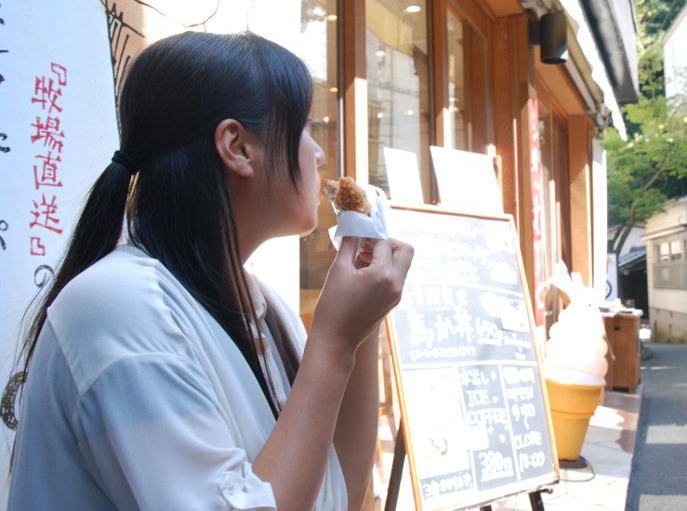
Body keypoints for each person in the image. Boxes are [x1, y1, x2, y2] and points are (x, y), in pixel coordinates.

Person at [6, 31, 414, 510]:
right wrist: (335, 341)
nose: (318, 153)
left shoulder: (264, 306)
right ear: (237, 147)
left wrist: (358, 333)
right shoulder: (117, 307)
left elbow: (336, 493)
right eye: (302, 127)